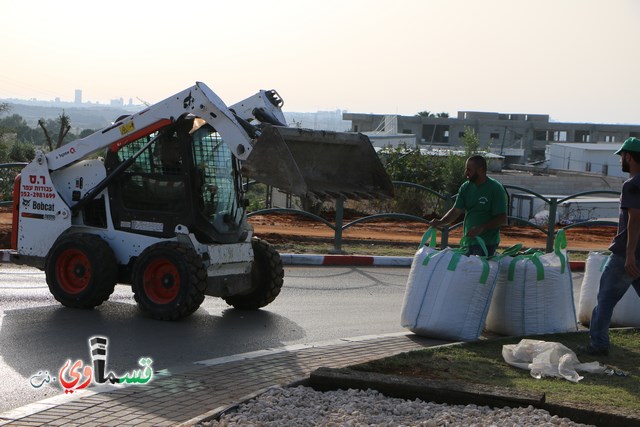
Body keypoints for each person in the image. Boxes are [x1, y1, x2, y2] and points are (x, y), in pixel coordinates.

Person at [583, 137, 640, 356]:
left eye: (622, 156)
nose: (621, 161)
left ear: (629, 156)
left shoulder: (632, 184)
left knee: (605, 300)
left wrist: (629, 254)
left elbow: (635, 218)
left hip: (627, 255)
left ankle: (598, 345)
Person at [429, 155, 507, 256]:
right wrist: (441, 221)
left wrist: (482, 228)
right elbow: (456, 211)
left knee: (477, 271)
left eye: (469, 170)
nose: (466, 173)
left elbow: (502, 218)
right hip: (468, 242)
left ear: (480, 170)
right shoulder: (465, 187)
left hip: (486, 243)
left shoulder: (495, 188)